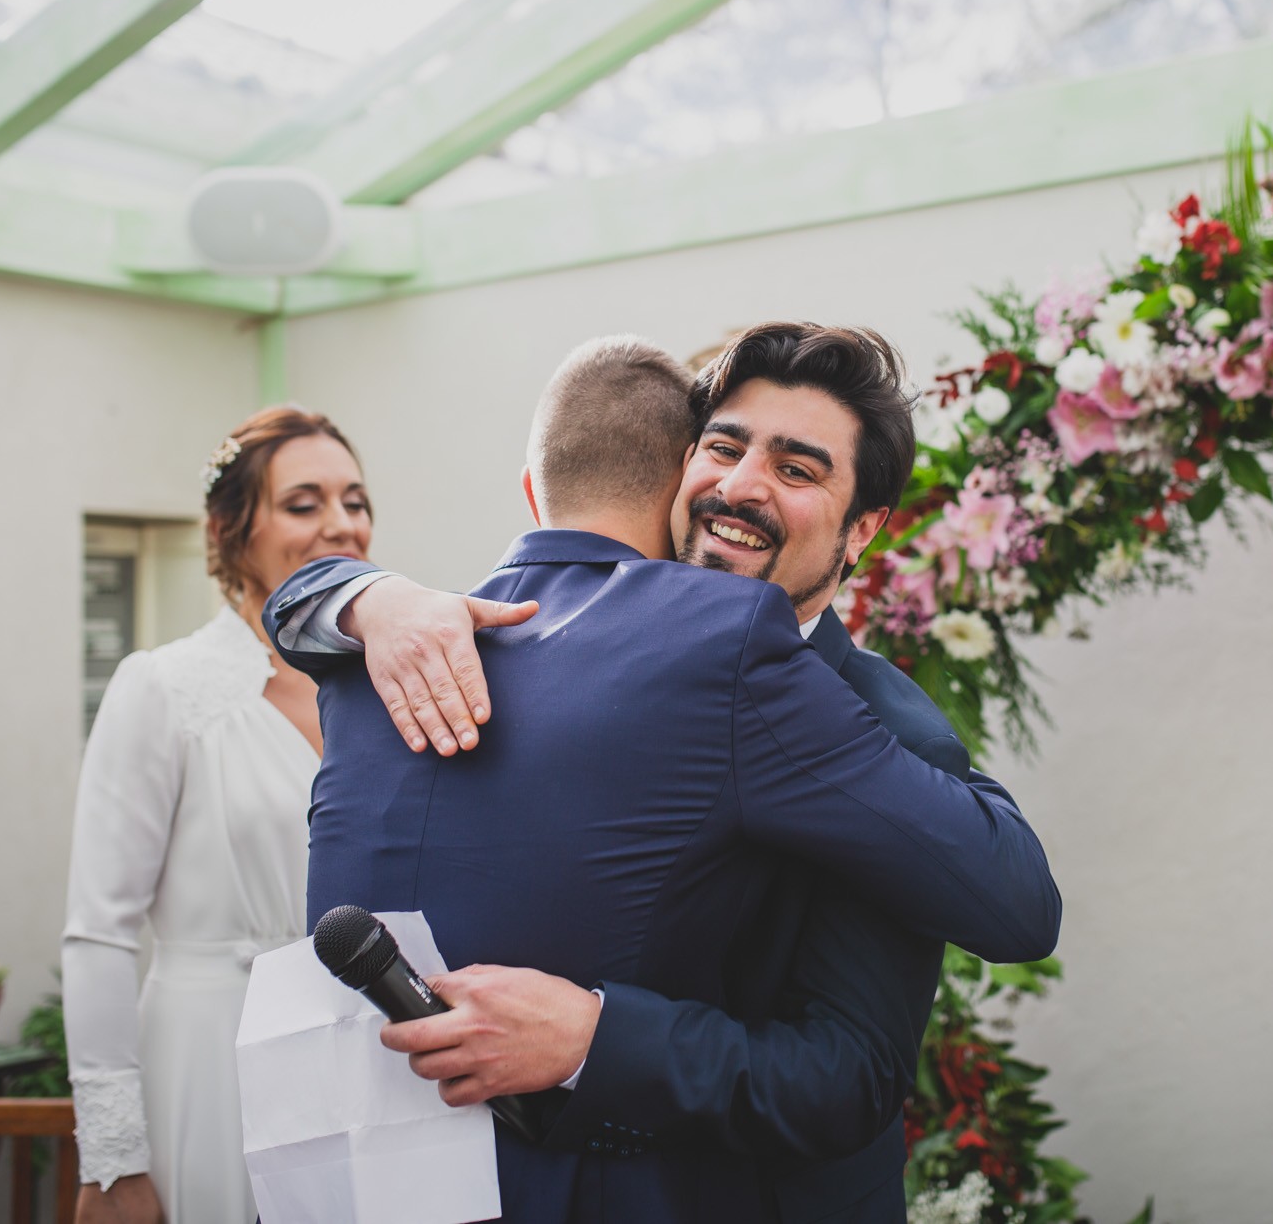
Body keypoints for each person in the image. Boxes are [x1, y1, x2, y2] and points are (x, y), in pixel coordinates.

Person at [268, 325, 1049, 1221]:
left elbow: (847, 1078)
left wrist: (596, 1039)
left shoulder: (880, 729)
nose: (743, 484)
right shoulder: (470, 639)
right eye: (723, 446)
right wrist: (361, 596)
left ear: (861, 529)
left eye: (797, 470)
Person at [62, 407, 530, 1224]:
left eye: (355, 500)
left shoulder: (390, 688)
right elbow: (99, 931)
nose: (342, 524)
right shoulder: (162, 689)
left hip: (370, 1053)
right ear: (231, 528)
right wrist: (112, 1159)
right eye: (305, 503)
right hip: (211, 1055)